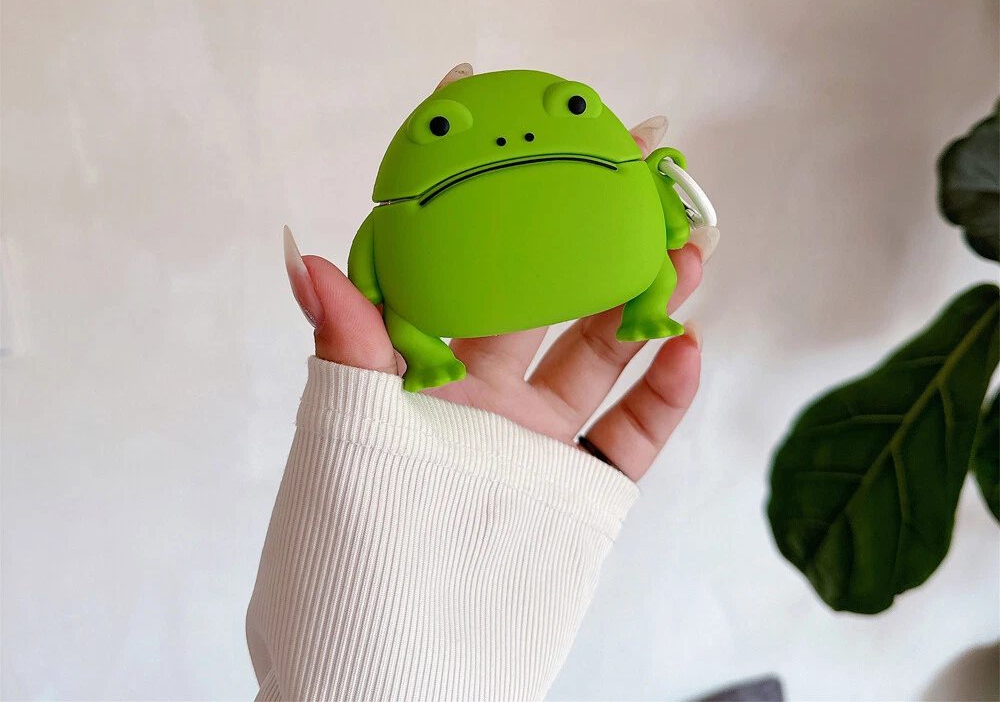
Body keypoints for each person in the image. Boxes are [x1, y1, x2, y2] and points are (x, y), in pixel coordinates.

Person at [246, 66, 719, 702]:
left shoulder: (399, 227)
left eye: (572, 109)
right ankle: (630, 311)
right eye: (443, 127)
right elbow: (374, 256)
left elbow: (371, 259)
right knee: (656, 272)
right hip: (526, 257)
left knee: (653, 274)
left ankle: (640, 310)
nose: (512, 143)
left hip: (581, 248)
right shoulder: (400, 223)